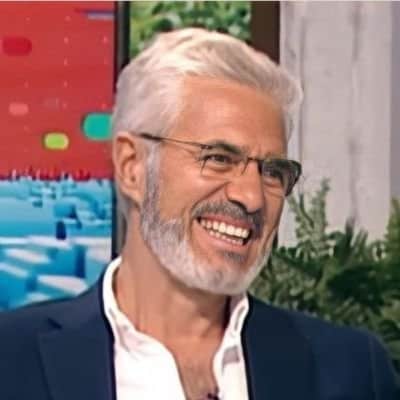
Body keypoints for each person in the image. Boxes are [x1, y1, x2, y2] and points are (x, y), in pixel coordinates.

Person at [0, 28, 398, 400]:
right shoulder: (12, 362)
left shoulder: (350, 370)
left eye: (272, 172)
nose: (252, 197)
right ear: (132, 167)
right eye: (219, 158)